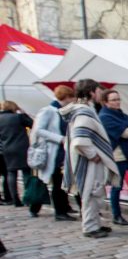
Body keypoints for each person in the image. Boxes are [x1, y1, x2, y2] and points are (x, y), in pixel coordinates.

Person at [59, 88, 121, 238]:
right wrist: (93, 155)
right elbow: (80, 139)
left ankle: (95, 223)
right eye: (99, 90)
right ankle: (90, 227)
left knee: (93, 191)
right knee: (91, 192)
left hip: (87, 159)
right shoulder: (83, 112)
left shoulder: (84, 110)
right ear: (91, 92)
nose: (101, 93)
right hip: (87, 161)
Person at [31, 85, 78, 221]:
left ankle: (63, 208)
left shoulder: (64, 111)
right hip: (53, 152)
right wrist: (60, 139)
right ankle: (58, 211)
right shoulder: (49, 111)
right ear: (66, 97)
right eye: (71, 97)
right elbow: (38, 130)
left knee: (61, 181)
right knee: (55, 182)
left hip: (63, 151)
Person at [98, 89, 128, 226]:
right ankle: (117, 215)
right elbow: (126, 132)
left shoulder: (122, 115)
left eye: (118, 99)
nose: (117, 102)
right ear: (106, 102)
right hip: (118, 156)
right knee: (117, 185)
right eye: (113, 100)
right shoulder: (104, 116)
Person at [0, 101, 34, 210]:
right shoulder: (18, 117)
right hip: (21, 148)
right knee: (26, 172)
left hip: (7, 148)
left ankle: (15, 199)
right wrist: (22, 112)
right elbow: (33, 124)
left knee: (11, 172)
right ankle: (28, 198)